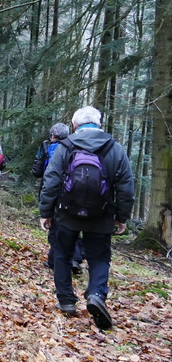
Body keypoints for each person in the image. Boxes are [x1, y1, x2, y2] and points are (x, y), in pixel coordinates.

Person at [39, 106, 134, 329]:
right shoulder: (115, 148)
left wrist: (46, 212)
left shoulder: (65, 146)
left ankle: (66, 301)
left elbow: (51, 181)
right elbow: (125, 187)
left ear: (74, 125)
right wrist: (122, 217)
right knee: (99, 258)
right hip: (101, 215)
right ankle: (97, 294)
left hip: (66, 213)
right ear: (99, 124)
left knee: (62, 255)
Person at [31, 123, 84, 274]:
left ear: (52, 134)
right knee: (73, 224)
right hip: (73, 191)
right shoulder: (75, 146)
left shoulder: (45, 146)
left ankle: (56, 259)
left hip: (52, 190)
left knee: (54, 225)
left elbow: (37, 171)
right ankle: (76, 257)